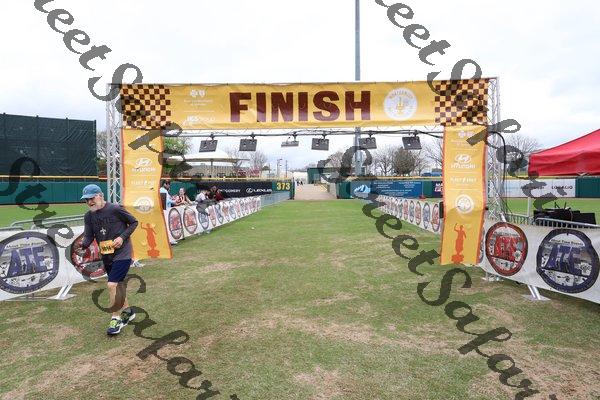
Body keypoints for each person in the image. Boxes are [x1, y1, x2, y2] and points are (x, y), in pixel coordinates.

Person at [79, 184, 138, 335]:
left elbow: (134, 222)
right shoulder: (88, 216)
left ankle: (115, 319)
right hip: (106, 255)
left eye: (91, 198)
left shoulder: (115, 209)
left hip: (123, 253)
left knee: (112, 284)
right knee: (118, 284)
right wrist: (82, 245)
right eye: (86, 200)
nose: (89, 202)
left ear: (100, 195)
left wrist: (122, 237)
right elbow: (89, 236)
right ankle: (128, 312)